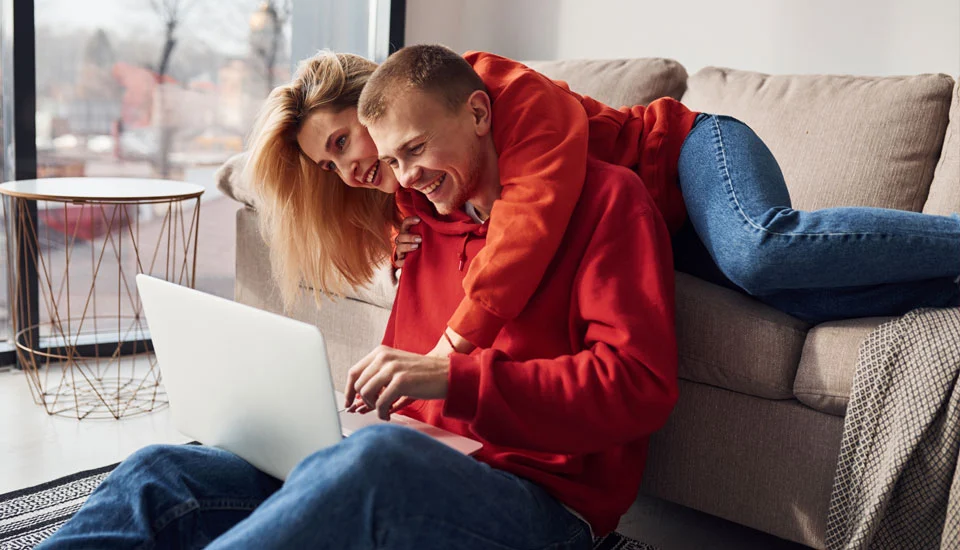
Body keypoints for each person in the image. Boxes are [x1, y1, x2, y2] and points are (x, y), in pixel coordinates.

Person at [39, 46, 678, 550]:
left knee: (377, 458)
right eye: (394, 159)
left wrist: (456, 379)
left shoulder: (610, 201)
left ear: (479, 114)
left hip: (543, 506)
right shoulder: (418, 221)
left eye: (417, 149)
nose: (405, 175)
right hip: (401, 462)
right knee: (163, 472)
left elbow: (637, 388)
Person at [247, 46, 958, 358]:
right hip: (656, 230)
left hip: (685, 156)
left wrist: (455, 345)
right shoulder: (416, 180)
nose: (348, 169)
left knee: (759, 248)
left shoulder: (503, 94)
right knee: (795, 299)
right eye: (327, 163)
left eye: (342, 142)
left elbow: (529, 220)